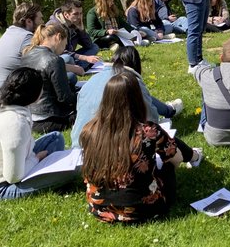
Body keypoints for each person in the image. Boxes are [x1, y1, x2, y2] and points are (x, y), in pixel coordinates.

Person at [80, 73, 202, 223]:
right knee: (168, 164)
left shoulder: (89, 130)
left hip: (100, 209)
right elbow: (176, 160)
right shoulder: (148, 131)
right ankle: (195, 157)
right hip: (143, 210)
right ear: (137, 99)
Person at [0, 68, 79, 201]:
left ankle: (46, 173)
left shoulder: (7, 104)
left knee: (55, 138)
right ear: (34, 94)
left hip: (16, 165)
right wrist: (36, 159)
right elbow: (13, 177)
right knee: (73, 171)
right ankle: (50, 178)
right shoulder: (14, 123)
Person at [71, 46, 183, 148]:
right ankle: (170, 110)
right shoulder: (129, 81)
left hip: (78, 142)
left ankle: (169, 109)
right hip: (106, 148)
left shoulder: (92, 80)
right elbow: (151, 119)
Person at [20, 23, 77, 133]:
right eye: (64, 45)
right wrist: (82, 97)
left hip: (29, 116)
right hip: (49, 119)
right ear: (58, 37)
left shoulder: (27, 54)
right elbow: (64, 98)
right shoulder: (55, 60)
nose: (63, 49)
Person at [0, 2, 44, 102]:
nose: (43, 22)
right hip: (3, 95)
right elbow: (45, 63)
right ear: (29, 21)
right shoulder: (25, 37)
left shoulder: (11, 32)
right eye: (40, 19)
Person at [47, 0, 100, 85]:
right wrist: (85, 58)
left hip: (72, 54)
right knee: (68, 58)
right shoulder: (54, 26)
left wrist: (81, 29)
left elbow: (88, 45)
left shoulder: (74, 23)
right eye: (76, 14)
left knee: (94, 47)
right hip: (58, 58)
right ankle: (78, 67)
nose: (79, 17)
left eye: (81, 13)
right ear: (66, 15)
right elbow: (61, 51)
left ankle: (78, 67)